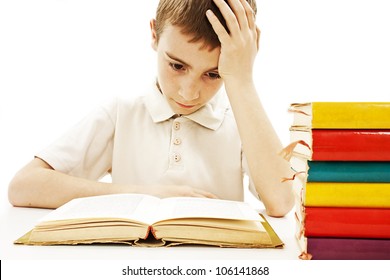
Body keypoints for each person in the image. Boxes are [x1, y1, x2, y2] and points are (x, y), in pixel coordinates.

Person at [8, 0, 294, 217]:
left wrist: (241, 79)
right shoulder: (122, 113)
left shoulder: (241, 122)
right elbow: (23, 186)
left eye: (213, 74)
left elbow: (281, 201)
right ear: (154, 35)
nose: (189, 92)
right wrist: (146, 195)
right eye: (177, 66)